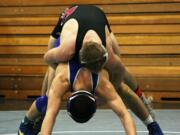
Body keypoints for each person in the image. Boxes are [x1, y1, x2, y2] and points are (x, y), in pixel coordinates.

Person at [43, 4, 163, 134]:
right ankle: (39, 114)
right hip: (70, 19)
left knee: (120, 83)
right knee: (51, 83)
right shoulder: (66, 50)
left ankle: (142, 100)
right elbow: (47, 58)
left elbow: (120, 71)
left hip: (98, 18)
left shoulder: (109, 56)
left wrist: (112, 89)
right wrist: (62, 69)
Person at [19, 62, 137, 135]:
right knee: (48, 100)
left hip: (84, 45)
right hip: (73, 45)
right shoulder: (63, 80)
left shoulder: (102, 84)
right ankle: (25, 124)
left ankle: (140, 96)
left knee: (49, 102)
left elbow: (124, 115)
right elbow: (124, 115)